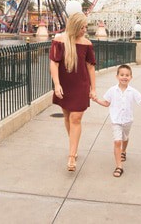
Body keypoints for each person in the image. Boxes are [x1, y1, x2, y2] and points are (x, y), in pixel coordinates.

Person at [50, 11, 97, 172]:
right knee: (67, 116)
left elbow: (91, 67)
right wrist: (57, 84)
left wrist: (93, 88)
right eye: (82, 27)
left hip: (81, 85)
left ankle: (72, 155)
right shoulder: (59, 41)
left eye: (86, 27)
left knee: (76, 117)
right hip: (64, 84)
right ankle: (73, 146)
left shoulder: (87, 43)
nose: (85, 30)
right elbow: (54, 64)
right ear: (75, 26)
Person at [92, 64, 141, 177]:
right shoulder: (112, 90)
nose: (124, 77)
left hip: (128, 121)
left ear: (131, 77)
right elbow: (106, 103)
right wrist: (96, 100)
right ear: (117, 76)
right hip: (116, 120)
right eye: (122, 75)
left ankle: (124, 151)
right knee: (117, 141)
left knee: (125, 138)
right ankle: (119, 166)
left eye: (127, 75)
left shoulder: (133, 91)